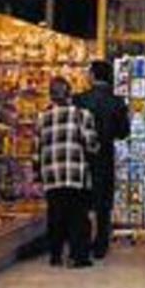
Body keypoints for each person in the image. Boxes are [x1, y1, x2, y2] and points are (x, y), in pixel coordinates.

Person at [35, 76, 99, 269]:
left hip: (51, 174)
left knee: (55, 215)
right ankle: (78, 256)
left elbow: (36, 148)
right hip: (74, 173)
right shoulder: (82, 114)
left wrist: (37, 172)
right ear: (70, 93)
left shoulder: (42, 117)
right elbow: (91, 144)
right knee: (77, 216)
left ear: (51, 95)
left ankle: (55, 255)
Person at [72, 60, 132, 260]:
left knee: (81, 201)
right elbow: (124, 132)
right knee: (103, 203)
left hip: (81, 156)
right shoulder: (117, 102)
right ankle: (101, 245)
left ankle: (80, 242)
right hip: (105, 155)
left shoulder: (79, 100)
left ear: (93, 75)